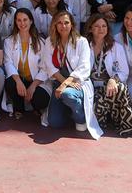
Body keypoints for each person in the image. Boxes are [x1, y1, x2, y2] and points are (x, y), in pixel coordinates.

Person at [39, 11, 102, 139]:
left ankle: (80, 117)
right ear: (55, 25)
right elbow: (49, 66)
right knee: (54, 123)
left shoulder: (82, 41)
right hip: (59, 83)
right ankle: (69, 109)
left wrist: (66, 85)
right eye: (60, 23)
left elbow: (84, 67)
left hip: (78, 83)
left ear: (72, 24)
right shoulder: (49, 42)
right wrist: (63, 83)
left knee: (68, 94)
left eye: (66, 23)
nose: (63, 26)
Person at [85, 14, 132, 136]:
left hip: (109, 87)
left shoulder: (115, 47)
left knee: (121, 88)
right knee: (97, 113)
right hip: (91, 87)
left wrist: (113, 80)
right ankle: (106, 119)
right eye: (97, 26)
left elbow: (124, 72)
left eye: (104, 26)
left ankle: (127, 125)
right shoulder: (84, 45)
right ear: (90, 28)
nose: (101, 29)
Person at [2, 8, 50, 117]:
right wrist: (18, 81)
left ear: (31, 21)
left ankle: (33, 104)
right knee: (10, 83)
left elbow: (45, 67)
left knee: (41, 100)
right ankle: (19, 108)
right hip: (19, 80)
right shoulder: (9, 41)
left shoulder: (41, 42)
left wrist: (33, 86)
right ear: (15, 22)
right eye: (19, 20)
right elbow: (8, 63)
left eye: (25, 20)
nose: (22, 23)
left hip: (35, 81)